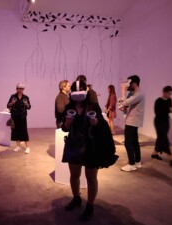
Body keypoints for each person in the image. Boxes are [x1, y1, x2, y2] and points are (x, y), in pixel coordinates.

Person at [62, 80, 118, 221]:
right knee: (74, 175)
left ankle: (90, 205)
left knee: (91, 178)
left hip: (91, 146)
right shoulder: (69, 107)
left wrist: (96, 122)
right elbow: (64, 128)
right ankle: (76, 198)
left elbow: (101, 124)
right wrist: (67, 123)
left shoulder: (93, 106)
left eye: (81, 93)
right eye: (76, 93)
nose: (78, 97)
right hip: (74, 144)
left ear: (85, 94)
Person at [119, 75, 145, 172]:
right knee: (134, 142)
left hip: (132, 121)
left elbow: (125, 103)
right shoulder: (136, 94)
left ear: (133, 83)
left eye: (129, 83)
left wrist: (123, 90)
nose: (127, 85)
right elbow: (123, 105)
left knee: (128, 143)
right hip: (133, 121)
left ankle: (131, 164)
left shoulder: (138, 94)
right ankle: (137, 162)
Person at [152, 86, 172, 167]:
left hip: (165, 122)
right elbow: (157, 112)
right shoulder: (158, 101)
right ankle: (171, 159)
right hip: (158, 122)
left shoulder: (170, 100)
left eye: (171, 94)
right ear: (164, 92)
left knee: (161, 137)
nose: (170, 95)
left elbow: (170, 109)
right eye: (169, 93)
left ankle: (154, 154)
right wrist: (168, 109)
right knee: (164, 138)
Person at [7, 83, 31, 154]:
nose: (20, 90)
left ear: (23, 89)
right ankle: (18, 146)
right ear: (16, 89)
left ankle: (27, 147)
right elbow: (8, 105)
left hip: (22, 117)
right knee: (15, 131)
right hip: (14, 117)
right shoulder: (13, 96)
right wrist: (12, 102)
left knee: (24, 131)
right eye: (19, 88)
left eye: (21, 89)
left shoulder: (26, 97)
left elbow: (29, 107)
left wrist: (26, 103)